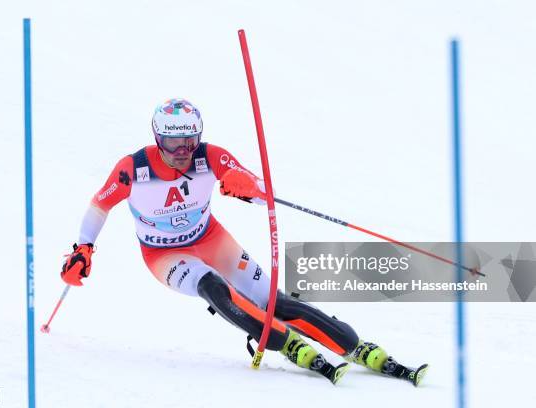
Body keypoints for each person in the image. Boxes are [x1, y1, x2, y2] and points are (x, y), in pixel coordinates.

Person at [61, 98, 427, 386]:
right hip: (163, 254)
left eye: (190, 140)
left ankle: (354, 345)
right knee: (213, 287)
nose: (183, 150)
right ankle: (285, 343)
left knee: (272, 300)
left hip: (210, 238)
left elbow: (260, 189)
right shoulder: (133, 168)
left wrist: (246, 187)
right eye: (174, 142)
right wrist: (83, 248)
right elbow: (100, 205)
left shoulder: (210, 156)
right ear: (159, 137)